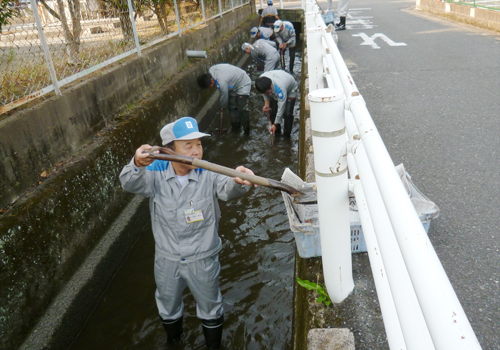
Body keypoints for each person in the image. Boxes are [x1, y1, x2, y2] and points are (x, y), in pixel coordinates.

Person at [119, 117, 256, 349]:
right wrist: (137, 163)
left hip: (203, 257)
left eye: (199, 144)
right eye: (188, 146)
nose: (196, 152)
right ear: (170, 150)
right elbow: (128, 183)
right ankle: (174, 341)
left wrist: (239, 180)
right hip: (167, 258)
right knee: (168, 305)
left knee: (210, 306)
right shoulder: (155, 176)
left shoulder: (209, 174)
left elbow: (228, 187)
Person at [197, 64, 252, 135]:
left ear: (211, 80)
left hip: (243, 82)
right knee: (232, 108)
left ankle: (246, 132)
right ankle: (236, 130)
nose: (210, 88)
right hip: (232, 83)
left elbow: (224, 96)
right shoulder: (211, 70)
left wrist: (222, 107)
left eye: (209, 86)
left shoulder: (221, 82)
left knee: (243, 109)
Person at [255, 70, 298, 137]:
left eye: (267, 92)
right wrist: (266, 103)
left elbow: (281, 107)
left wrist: (275, 124)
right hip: (277, 81)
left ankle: (286, 136)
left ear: (271, 86)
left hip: (291, 89)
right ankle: (277, 133)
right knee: (273, 111)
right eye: (264, 93)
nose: (266, 94)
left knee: (287, 113)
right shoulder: (261, 81)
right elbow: (264, 93)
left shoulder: (280, 89)